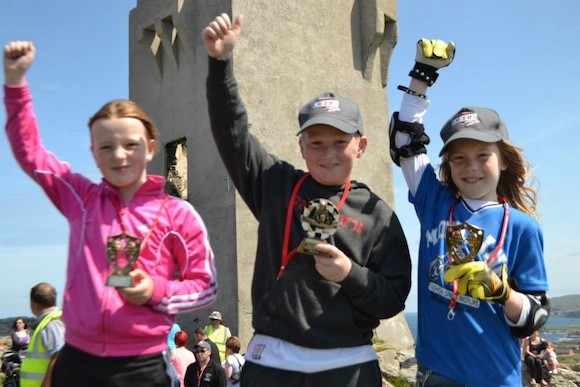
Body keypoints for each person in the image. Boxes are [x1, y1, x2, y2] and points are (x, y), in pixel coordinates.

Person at [202, 13, 411, 387]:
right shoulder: (275, 184)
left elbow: (393, 298)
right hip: (273, 362)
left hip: (348, 365)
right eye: (316, 142)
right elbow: (233, 133)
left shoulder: (377, 214)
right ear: (301, 145)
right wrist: (220, 65)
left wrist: (350, 274)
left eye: (339, 142)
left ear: (361, 146)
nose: (328, 153)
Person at [3, 41, 218, 387]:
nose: (119, 155)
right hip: (76, 360)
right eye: (106, 147)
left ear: (149, 148)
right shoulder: (81, 199)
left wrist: (155, 290)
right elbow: (31, 154)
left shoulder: (179, 214)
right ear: (93, 152)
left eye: (130, 144)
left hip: (142, 366)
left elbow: (206, 285)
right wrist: (15, 85)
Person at [389, 38, 550, 386]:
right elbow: (404, 140)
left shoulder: (523, 228)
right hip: (437, 376)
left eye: (482, 155)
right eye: (458, 158)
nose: (470, 167)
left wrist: (503, 293)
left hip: (496, 377)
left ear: (504, 160)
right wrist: (422, 74)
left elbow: (535, 317)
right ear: (447, 164)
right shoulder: (435, 200)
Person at [19, 282, 65, 387]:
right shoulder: (48, 322)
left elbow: (59, 354)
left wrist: (46, 383)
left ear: (33, 303)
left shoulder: (52, 323)